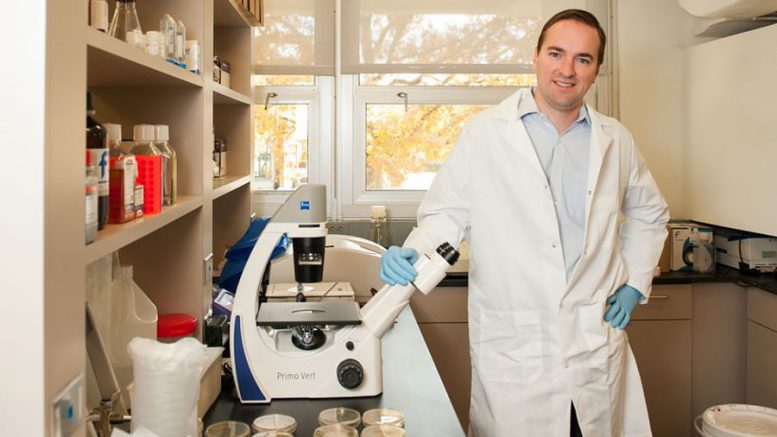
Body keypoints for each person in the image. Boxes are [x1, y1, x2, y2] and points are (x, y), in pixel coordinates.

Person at [379, 9, 669, 437]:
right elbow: (446, 213)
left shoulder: (615, 139)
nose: (567, 70)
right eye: (556, 53)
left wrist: (634, 283)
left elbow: (650, 212)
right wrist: (414, 253)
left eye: (583, 59)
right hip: (515, 349)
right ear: (536, 56)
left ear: (596, 70)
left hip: (592, 342)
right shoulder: (485, 133)